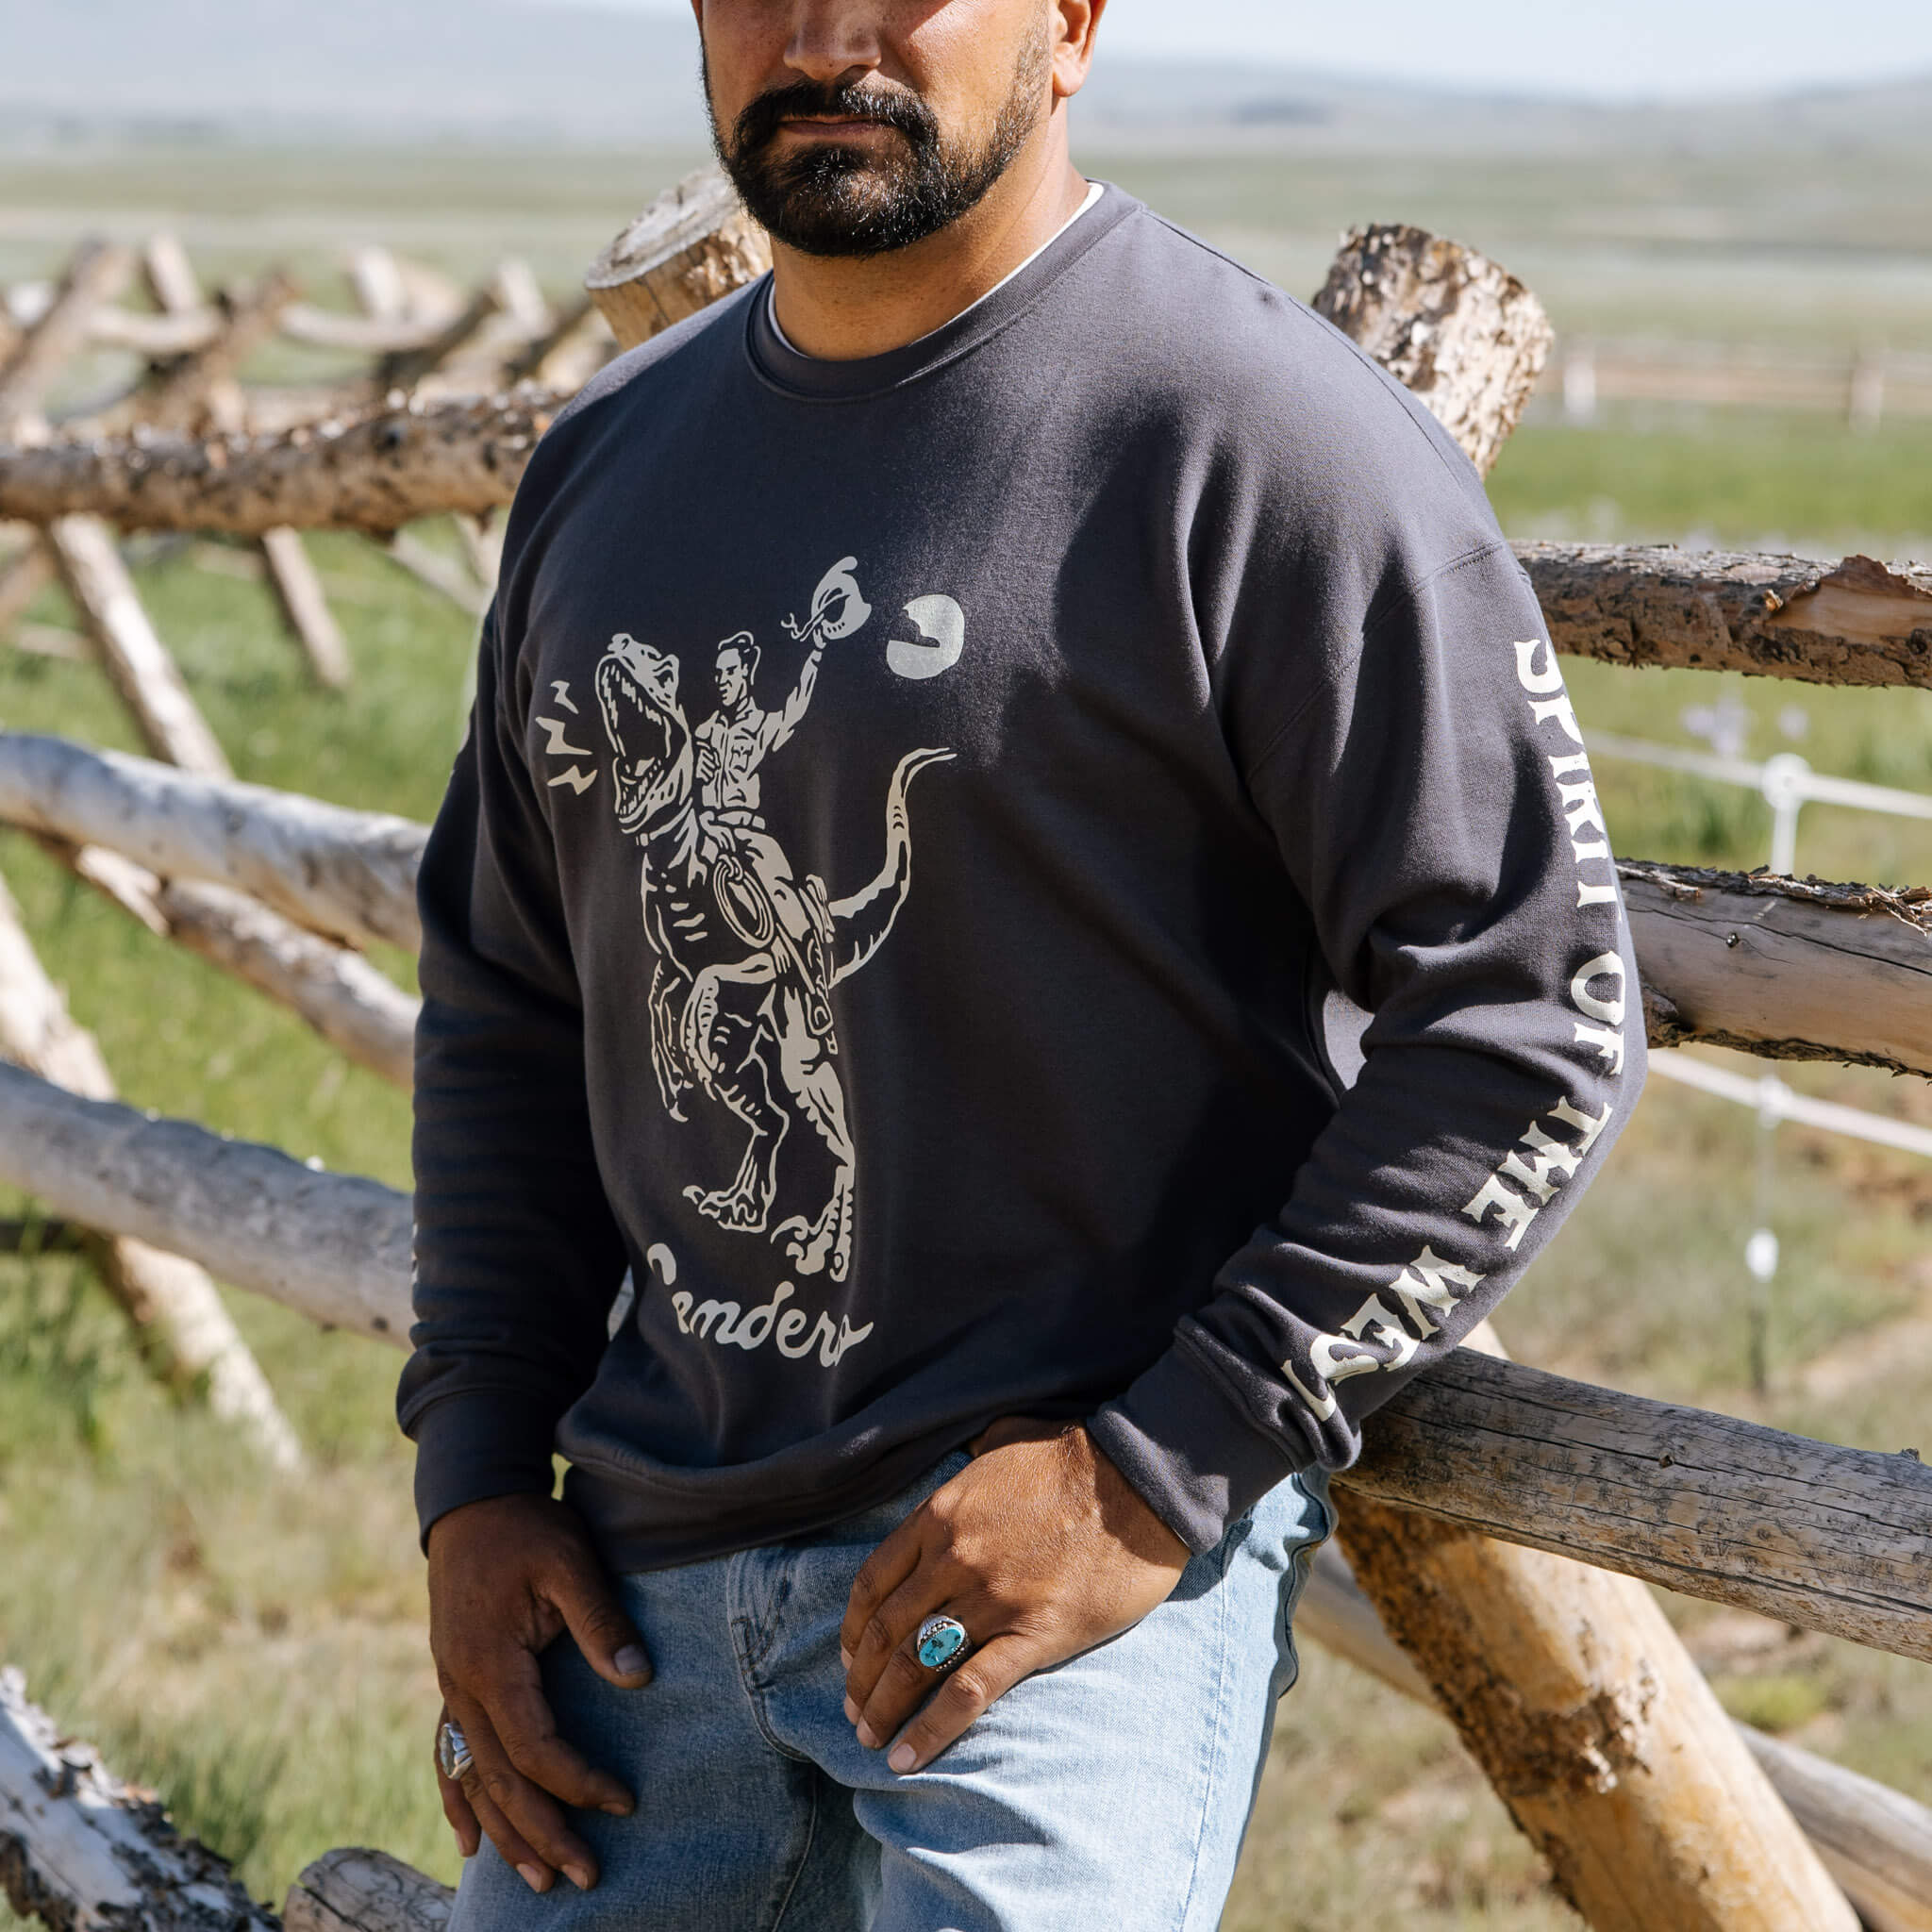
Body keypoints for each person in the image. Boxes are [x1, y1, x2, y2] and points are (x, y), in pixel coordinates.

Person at [398, 0, 1644, 1925]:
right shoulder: (604, 472)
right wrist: (476, 1478)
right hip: (634, 1597)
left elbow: (1529, 1016)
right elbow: (511, 1001)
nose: (821, 34)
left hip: (1050, 1595)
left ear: (1069, 25)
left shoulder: (1265, 441)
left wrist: (1156, 1469)